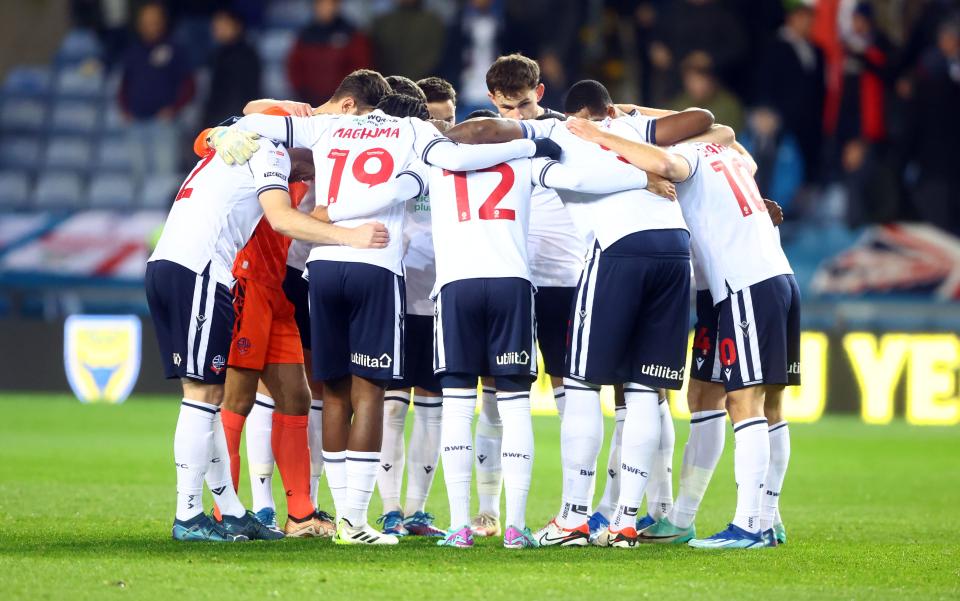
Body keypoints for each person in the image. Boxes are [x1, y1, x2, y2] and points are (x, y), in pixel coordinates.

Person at [210, 73, 558, 545]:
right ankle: (357, 520)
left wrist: (224, 131)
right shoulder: (412, 132)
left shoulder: (331, 126)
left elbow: (258, 117)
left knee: (331, 395)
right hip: (378, 263)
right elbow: (446, 160)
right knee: (370, 393)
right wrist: (534, 142)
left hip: (323, 265)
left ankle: (326, 514)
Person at [146, 117, 388, 542]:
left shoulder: (229, 150)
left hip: (178, 266)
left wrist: (216, 133)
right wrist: (351, 237)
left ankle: (233, 510)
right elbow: (281, 219)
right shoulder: (269, 153)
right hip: (210, 271)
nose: (313, 172)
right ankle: (188, 515)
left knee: (217, 395)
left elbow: (215, 135)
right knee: (207, 398)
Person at [567, 117, 799, 549]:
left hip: (745, 282)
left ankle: (756, 523)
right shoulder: (728, 153)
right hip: (742, 282)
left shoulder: (689, 155)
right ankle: (683, 519)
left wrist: (598, 135)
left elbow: (668, 162)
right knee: (705, 396)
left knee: (748, 401)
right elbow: (726, 133)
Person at [465, 53, 585, 539]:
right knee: (494, 395)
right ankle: (489, 510)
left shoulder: (571, 135)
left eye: (524, 104)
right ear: (493, 101)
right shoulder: (483, 139)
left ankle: (575, 507)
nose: (516, 116)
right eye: (506, 108)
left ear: (540, 93)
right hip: (508, 280)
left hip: (564, 281)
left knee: (570, 397)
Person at [374, 78, 447, 539]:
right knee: (392, 409)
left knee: (434, 407)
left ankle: (418, 510)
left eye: (447, 116)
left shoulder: (458, 157)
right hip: (397, 292)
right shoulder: (394, 158)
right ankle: (390, 508)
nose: (440, 124)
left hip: (442, 296)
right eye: (431, 116)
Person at [118, 2, 194, 181]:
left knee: (165, 176)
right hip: (136, 122)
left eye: (154, 20)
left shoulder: (175, 50)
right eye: (146, 21)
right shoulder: (133, 51)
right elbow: (124, 84)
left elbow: (189, 85)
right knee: (138, 177)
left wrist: (174, 109)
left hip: (164, 123)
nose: (150, 25)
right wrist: (125, 110)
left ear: (163, 22)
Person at [287, 0, 373, 105]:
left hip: (344, 104)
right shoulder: (305, 36)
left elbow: (360, 67)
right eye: (321, 4)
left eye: (329, 3)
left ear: (337, 5)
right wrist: (303, 94)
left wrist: (346, 95)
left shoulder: (351, 34)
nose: (325, 8)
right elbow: (295, 68)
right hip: (310, 103)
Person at [202, 9, 261, 126]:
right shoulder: (218, 53)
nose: (218, 30)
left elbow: (241, 94)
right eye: (216, 27)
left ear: (237, 26)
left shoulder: (246, 55)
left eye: (223, 26)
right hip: (219, 118)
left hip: (234, 120)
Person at [370, 0, 446, 81]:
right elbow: (376, 55)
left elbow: (434, 57)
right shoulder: (383, 22)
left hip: (421, 84)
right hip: (389, 84)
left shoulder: (432, 22)